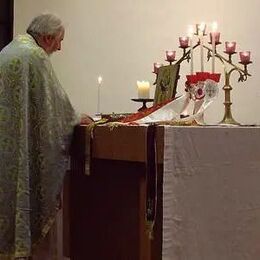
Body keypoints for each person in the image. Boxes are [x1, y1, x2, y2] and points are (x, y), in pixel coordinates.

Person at [0, 13, 92, 259]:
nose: (60, 48)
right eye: (60, 41)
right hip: (20, 146)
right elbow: (55, 106)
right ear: (48, 37)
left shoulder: (10, 50)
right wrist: (74, 118)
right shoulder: (35, 56)